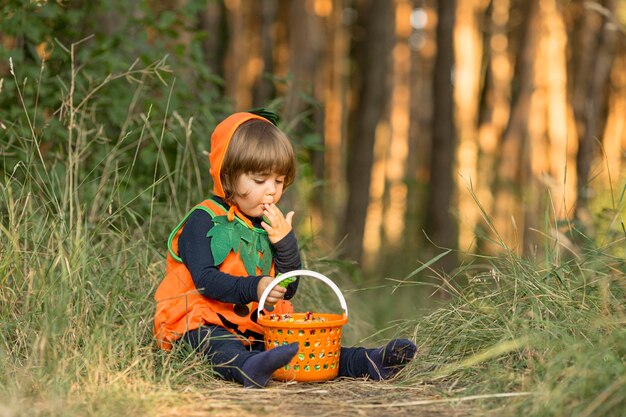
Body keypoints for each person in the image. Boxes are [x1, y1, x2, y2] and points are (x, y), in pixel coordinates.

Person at [153, 111, 416, 388]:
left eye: (278, 182)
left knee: (300, 346)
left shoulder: (266, 224)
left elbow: (287, 289)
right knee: (214, 343)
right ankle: (247, 367)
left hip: (255, 329)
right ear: (227, 175)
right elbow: (205, 282)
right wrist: (256, 287)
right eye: (259, 181)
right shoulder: (202, 219)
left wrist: (284, 242)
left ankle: (368, 361)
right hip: (199, 323)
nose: (271, 192)